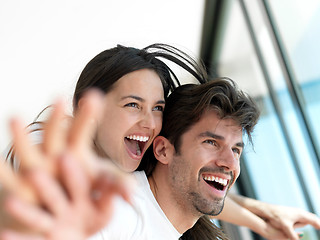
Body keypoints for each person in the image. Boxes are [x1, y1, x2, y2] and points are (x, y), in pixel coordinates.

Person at [0, 44, 319, 240]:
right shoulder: (54, 151)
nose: (150, 122)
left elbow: (191, 184)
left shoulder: (126, 174)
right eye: (132, 105)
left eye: (158, 109)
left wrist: (263, 217)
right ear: (90, 110)